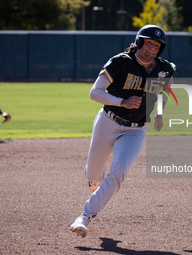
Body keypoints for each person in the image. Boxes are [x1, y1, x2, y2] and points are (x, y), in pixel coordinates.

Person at [70, 24, 176, 238]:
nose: (152, 49)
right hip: (107, 122)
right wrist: (122, 102)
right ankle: (94, 176)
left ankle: (85, 216)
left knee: (119, 171)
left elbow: (164, 93)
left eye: (157, 46)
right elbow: (95, 93)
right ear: (138, 42)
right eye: (149, 43)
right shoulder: (119, 62)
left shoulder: (164, 69)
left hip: (135, 130)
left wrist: (159, 114)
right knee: (93, 173)